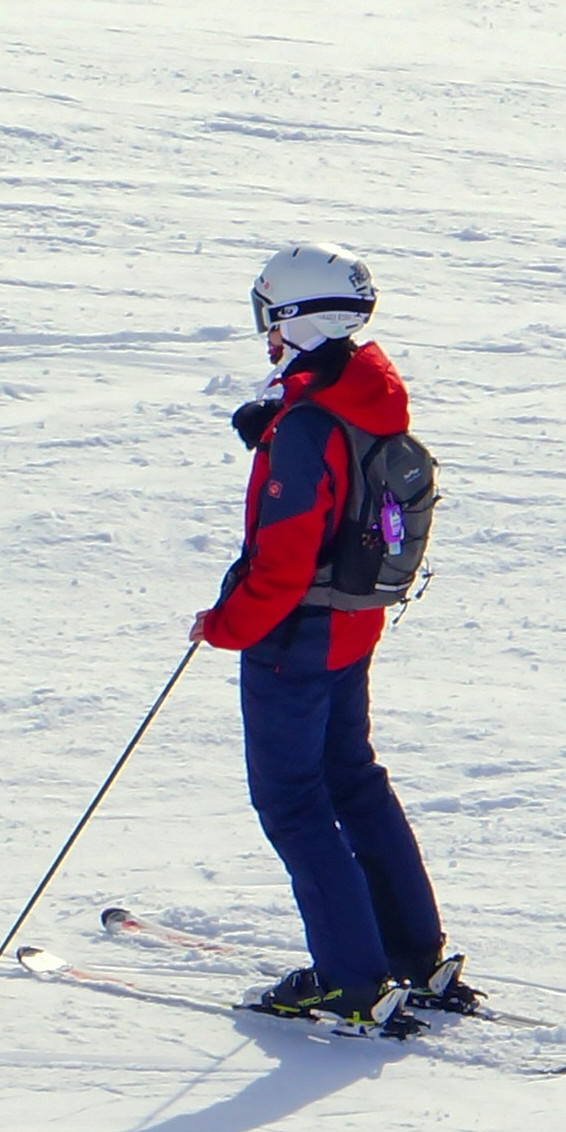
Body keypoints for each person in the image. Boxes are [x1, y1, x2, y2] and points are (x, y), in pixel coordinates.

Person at [196, 244, 462, 1029]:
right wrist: (279, 422)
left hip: (296, 635)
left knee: (293, 800)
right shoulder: (362, 388)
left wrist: (224, 626)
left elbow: (280, 563)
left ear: (295, 319)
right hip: (352, 622)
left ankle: (350, 979)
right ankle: (413, 954)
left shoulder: (312, 422)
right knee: (351, 776)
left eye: (267, 318)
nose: (264, 336)